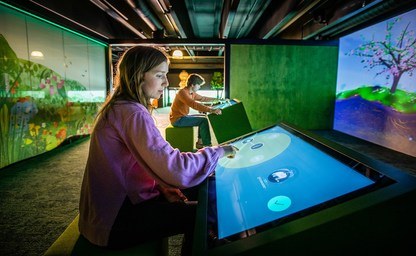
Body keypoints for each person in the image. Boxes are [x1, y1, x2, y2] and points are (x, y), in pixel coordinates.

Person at [78, 46, 237, 256]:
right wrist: (218, 151)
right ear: (138, 76)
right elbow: (177, 169)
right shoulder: (132, 113)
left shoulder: (121, 107)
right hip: (114, 221)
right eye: (160, 75)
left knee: (205, 185)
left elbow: (138, 165)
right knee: (204, 213)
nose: (166, 82)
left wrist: (162, 187)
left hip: (101, 214)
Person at [169, 73, 221, 148]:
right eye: (199, 85)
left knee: (203, 117)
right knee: (203, 121)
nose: (200, 87)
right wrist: (211, 110)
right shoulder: (182, 92)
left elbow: (203, 98)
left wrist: (217, 99)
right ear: (193, 85)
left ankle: (200, 143)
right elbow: (193, 104)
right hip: (177, 120)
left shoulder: (191, 93)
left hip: (183, 116)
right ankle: (207, 145)